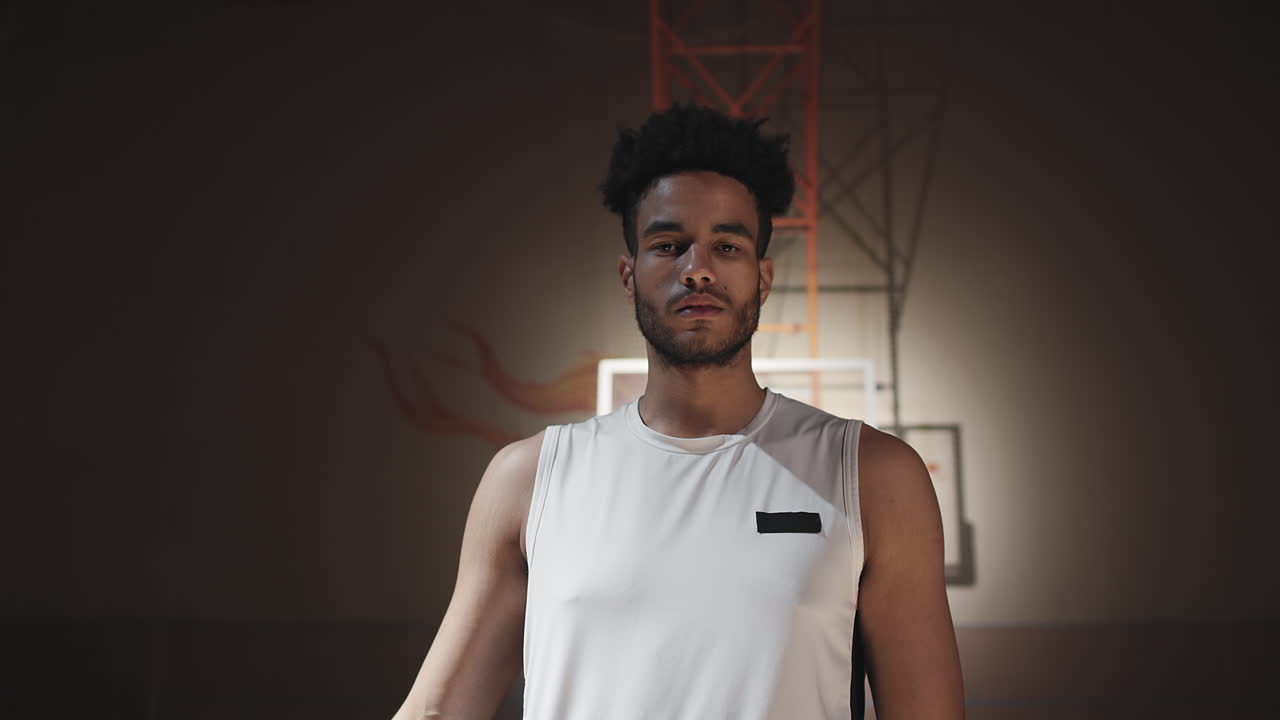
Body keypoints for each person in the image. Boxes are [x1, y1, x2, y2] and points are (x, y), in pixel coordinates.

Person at [391, 103, 965, 719]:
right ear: (628, 274)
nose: (698, 270)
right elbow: (435, 712)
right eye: (669, 245)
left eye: (727, 245)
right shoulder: (529, 480)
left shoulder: (874, 477)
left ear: (763, 277)